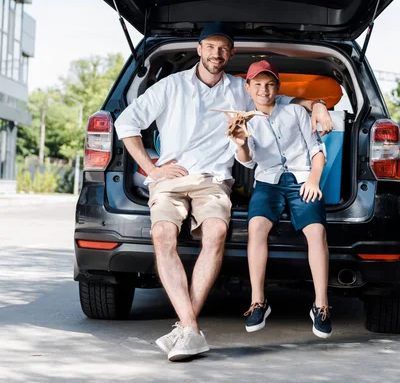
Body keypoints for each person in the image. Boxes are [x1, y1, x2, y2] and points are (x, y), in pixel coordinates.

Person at [114, 23, 333, 361]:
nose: (216, 54)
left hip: (213, 179)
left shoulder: (240, 89)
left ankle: (187, 330)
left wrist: (317, 104)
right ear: (199, 49)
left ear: (230, 55)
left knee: (216, 231)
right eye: (210, 47)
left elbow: (277, 98)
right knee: (162, 234)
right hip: (170, 180)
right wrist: (152, 169)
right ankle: (190, 327)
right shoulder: (170, 86)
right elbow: (125, 124)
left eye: (223, 49)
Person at [229, 60, 332, 339]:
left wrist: (313, 179)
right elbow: (248, 163)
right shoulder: (242, 119)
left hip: (301, 179)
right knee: (256, 228)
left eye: (270, 84)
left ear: (278, 87)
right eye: (258, 84)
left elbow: (316, 149)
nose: (264, 90)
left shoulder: (295, 111)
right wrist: (242, 144)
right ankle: (258, 302)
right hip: (267, 181)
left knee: (316, 231)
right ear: (248, 88)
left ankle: (321, 305)